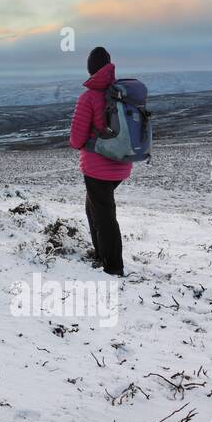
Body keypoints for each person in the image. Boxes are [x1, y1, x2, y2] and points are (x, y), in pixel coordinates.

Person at [68, 46, 132, 275]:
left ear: (90, 69)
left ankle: (113, 267)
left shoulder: (89, 97)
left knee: (105, 216)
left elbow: (76, 139)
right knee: (94, 208)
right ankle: (100, 253)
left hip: (97, 168)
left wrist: (85, 142)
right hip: (122, 163)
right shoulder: (120, 93)